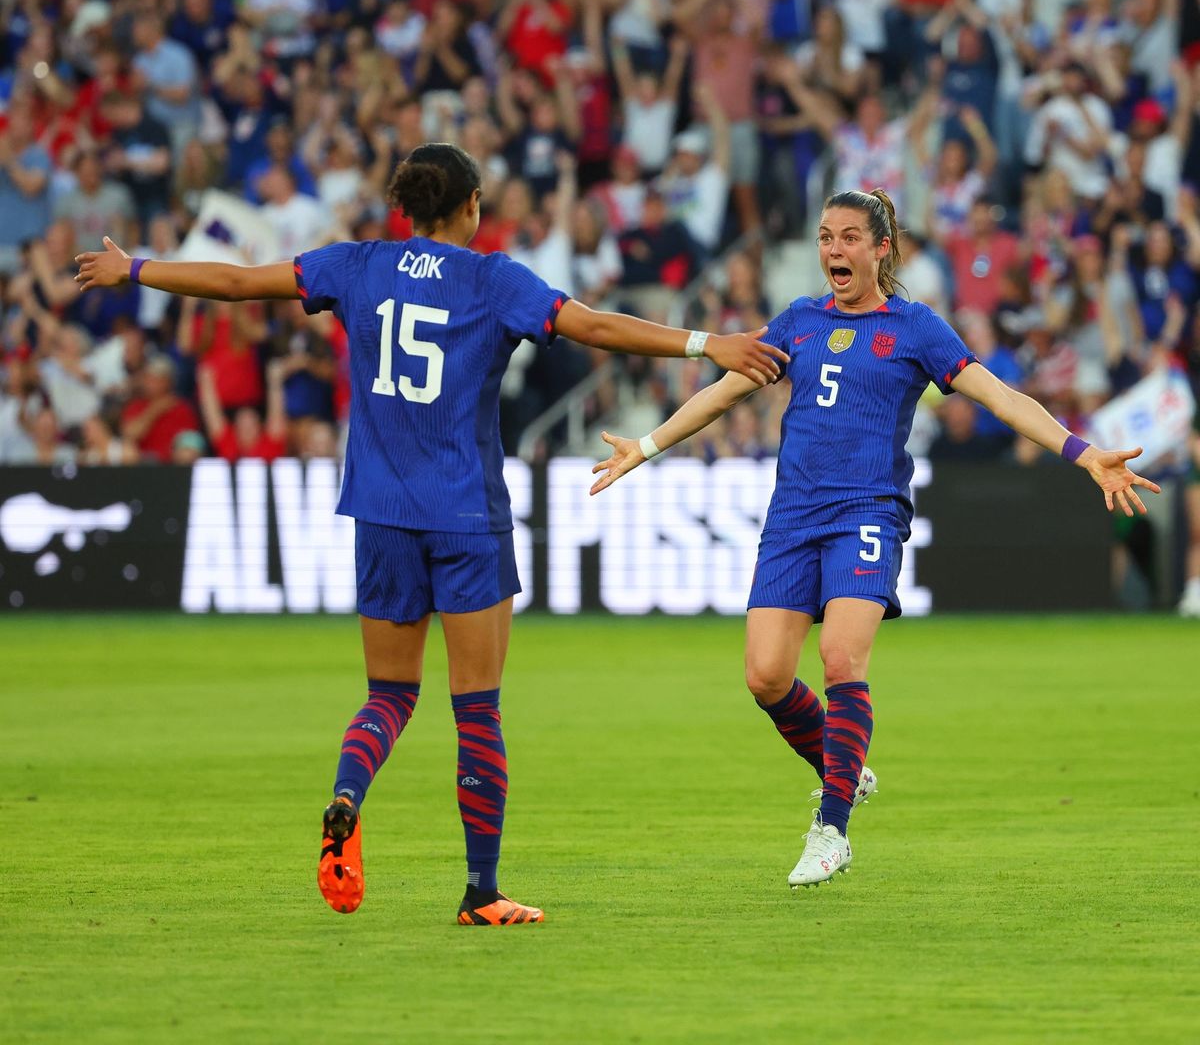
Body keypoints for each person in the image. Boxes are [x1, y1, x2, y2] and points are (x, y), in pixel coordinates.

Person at [74, 142, 787, 926]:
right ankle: (481, 892)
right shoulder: (494, 279)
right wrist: (704, 344)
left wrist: (134, 268)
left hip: (379, 515)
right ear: (473, 205)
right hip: (465, 516)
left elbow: (240, 283)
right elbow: (590, 325)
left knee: (387, 694)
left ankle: (347, 797)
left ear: (406, 206)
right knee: (476, 709)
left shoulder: (357, 264)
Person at [590, 187, 1160, 888]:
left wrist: (1082, 452)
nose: (834, 250)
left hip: (867, 511)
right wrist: (644, 446)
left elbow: (1000, 397)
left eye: (850, 238)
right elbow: (725, 391)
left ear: (881, 247)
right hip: (793, 516)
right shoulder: (798, 320)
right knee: (766, 676)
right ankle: (844, 769)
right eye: (826, 237)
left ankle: (832, 830)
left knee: (839, 657)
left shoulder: (916, 327)